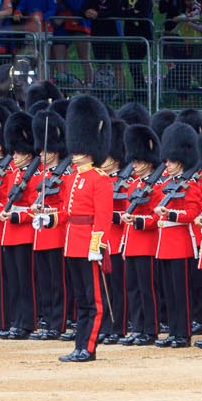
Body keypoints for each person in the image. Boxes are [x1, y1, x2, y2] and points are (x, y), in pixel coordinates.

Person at [59, 95, 115, 362]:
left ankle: (89, 347)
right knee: (81, 300)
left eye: (80, 146)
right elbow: (66, 212)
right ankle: (79, 345)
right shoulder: (71, 178)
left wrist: (96, 247)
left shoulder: (100, 180)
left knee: (93, 302)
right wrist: (47, 219)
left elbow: (102, 218)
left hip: (88, 245)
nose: (75, 151)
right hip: (71, 243)